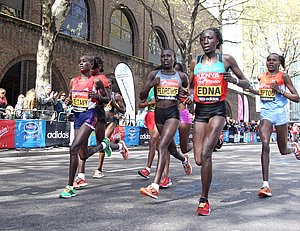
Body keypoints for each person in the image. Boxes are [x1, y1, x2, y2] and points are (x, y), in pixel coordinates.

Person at [188, 28, 250, 215]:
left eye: (209, 38)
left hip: (218, 110)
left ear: (217, 41)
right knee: (198, 159)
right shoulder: (195, 62)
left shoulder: (226, 60)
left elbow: (246, 82)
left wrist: (234, 81)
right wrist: (190, 95)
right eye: (202, 38)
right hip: (201, 111)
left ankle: (203, 200)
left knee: (206, 153)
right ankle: (216, 139)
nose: (205, 41)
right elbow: (191, 87)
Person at [139, 48, 192, 199]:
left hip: (173, 114)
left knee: (161, 146)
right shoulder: (154, 75)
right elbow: (141, 97)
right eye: (163, 56)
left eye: (169, 56)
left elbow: (188, 92)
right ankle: (183, 159)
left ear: (174, 58)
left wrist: (188, 97)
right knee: (172, 149)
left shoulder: (181, 76)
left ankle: (155, 186)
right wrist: (151, 85)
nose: (166, 59)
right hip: (158, 114)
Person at [247, 53, 300, 198]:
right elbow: (264, 93)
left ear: (279, 63)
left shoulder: (284, 77)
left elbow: (297, 98)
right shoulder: (261, 77)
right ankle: (265, 184)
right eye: (268, 60)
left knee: (283, 150)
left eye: (274, 60)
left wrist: (280, 90)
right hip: (266, 114)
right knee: (265, 144)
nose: (270, 62)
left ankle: (294, 148)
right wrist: (251, 90)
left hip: (280, 113)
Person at [59, 55, 111, 198]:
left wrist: (98, 96)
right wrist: (69, 100)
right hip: (76, 116)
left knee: (73, 148)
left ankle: (69, 187)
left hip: (90, 115)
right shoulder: (73, 81)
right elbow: (71, 96)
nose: (81, 64)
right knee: (83, 154)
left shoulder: (96, 81)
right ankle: (102, 146)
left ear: (91, 64)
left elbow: (108, 99)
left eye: (85, 61)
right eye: (79, 62)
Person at [93, 77, 129, 179]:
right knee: (101, 144)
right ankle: (120, 146)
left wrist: (115, 105)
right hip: (101, 121)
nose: (106, 85)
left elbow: (123, 110)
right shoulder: (99, 95)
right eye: (105, 83)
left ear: (111, 85)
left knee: (104, 141)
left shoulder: (116, 96)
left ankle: (99, 169)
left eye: (108, 83)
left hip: (111, 121)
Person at [137, 87, 172, 188]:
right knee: (154, 144)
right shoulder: (150, 89)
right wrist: (150, 103)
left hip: (163, 115)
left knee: (162, 145)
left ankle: (165, 176)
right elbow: (140, 104)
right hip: (150, 116)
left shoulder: (169, 85)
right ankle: (148, 169)